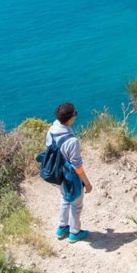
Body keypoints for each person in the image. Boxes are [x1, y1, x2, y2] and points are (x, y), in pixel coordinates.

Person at [46, 102, 93, 243]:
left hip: (57, 173)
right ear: (71, 118)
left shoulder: (52, 130)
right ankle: (74, 232)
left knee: (65, 198)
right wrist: (87, 183)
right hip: (71, 177)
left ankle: (62, 228)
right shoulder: (72, 141)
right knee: (76, 204)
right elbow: (77, 166)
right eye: (75, 113)